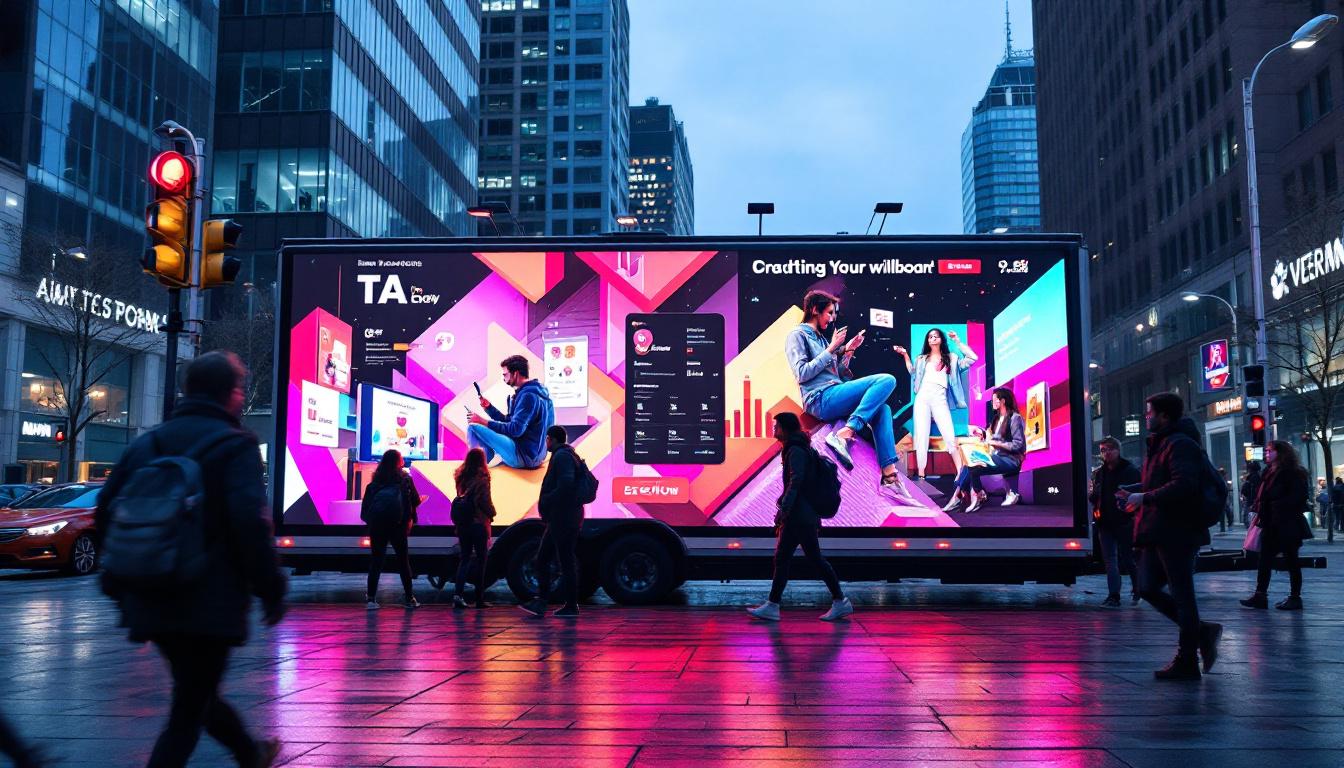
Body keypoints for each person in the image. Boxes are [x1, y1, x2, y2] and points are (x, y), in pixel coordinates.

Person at [95, 352, 286, 767]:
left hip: (150, 591)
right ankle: (249, 754)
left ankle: (249, 753)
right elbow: (248, 521)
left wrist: (120, 576)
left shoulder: (148, 442)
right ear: (231, 394)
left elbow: (105, 509)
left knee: (195, 691)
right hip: (207, 598)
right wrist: (270, 587)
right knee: (188, 709)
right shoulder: (235, 445)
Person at [1123, 393, 1222, 680]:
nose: (1146, 417)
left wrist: (1144, 497)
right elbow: (1163, 481)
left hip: (1177, 531)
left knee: (1182, 596)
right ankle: (1203, 632)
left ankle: (1187, 659)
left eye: (1149, 412)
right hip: (1159, 529)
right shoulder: (1163, 444)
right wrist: (1135, 491)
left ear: (1164, 415)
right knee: (1147, 587)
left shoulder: (1180, 444)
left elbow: (1184, 486)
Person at [785, 290, 911, 501]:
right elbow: (801, 373)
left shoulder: (822, 340)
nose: (833, 318)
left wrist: (848, 352)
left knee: (884, 409)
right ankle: (846, 432)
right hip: (819, 398)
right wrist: (833, 348)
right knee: (887, 380)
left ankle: (889, 477)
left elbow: (839, 375)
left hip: (833, 392)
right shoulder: (797, 335)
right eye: (829, 313)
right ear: (815, 310)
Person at [749, 412, 853, 622]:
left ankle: (839, 601)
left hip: (799, 516)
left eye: (776, 426)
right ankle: (774, 604)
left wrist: (784, 510)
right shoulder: (798, 448)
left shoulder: (795, 450)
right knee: (787, 557)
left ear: (785, 428)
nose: (774, 429)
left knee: (804, 558)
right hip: (801, 514)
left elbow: (795, 482)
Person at [894, 328, 977, 481]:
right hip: (922, 397)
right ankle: (921, 474)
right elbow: (912, 372)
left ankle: (960, 472)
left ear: (941, 339)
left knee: (949, 435)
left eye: (935, 336)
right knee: (921, 435)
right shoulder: (921, 359)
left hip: (940, 398)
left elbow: (972, 358)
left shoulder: (951, 358)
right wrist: (905, 354)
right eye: (930, 337)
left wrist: (957, 341)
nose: (932, 338)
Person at [521, 426, 584, 618]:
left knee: (559, 560)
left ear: (552, 439)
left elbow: (566, 484)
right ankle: (545, 602)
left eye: (547, 439)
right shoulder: (566, 455)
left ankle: (567, 605)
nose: (545, 442)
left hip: (562, 518)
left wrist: (548, 499)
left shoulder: (562, 457)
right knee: (550, 559)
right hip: (563, 517)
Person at [1241, 441, 1311, 611]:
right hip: (1270, 523)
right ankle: (1260, 595)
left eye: (1270, 450)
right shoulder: (1268, 472)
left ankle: (1295, 597)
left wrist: (1276, 505)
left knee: (1291, 560)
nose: (1266, 453)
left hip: (1287, 524)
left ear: (1280, 453)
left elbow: (1298, 497)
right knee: (1264, 559)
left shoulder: (1292, 473)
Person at [464, 355, 554, 470]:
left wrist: (481, 421)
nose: (504, 378)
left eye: (505, 374)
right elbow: (511, 422)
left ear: (515, 374)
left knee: (473, 427)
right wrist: (489, 408)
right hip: (536, 455)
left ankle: (475, 468)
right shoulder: (540, 394)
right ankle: (486, 457)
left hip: (524, 457)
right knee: (482, 429)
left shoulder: (527, 396)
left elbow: (515, 430)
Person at [944, 387, 1025, 513]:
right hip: (997, 457)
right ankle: (960, 495)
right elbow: (990, 438)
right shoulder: (996, 419)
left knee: (973, 462)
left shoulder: (1015, 418)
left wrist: (994, 443)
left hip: (1010, 460)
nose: (992, 402)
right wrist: (984, 437)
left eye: (994, 400)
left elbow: (1017, 445)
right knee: (969, 462)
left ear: (1002, 401)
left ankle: (972, 495)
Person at [361, 449, 421, 609]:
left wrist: (373, 522)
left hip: (378, 527)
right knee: (403, 562)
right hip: (398, 527)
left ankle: (371, 599)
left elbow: (365, 510)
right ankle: (409, 598)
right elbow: (415, 500)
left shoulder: (374, 484)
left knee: (376, 562)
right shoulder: (405, 480)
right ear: (398, 462)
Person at [1088, 437, 1141, 607]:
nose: (1106, 452)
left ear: (1118, 450)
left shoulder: (1130, 470)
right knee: (1110, 560)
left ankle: (1138, 589)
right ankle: (1114, 595)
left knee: (1127, 558)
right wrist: (1093, 495)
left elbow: (1139, 492)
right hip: (1105, 522)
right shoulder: (1100, 473)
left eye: (1110, 449)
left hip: (1124, 520)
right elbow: (1095, 496)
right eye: (1103, 450)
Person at [452, 447, 496, 609]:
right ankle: (479, 599)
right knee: (481, 560)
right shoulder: (482, 478)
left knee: (464, 559)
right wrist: (493, 513)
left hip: (463, 524)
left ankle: (458, 595)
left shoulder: (461, 477)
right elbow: (484, 501)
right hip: (478, 524)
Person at [1240, 462, 1263, 527]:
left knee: (1247, 515)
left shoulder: (1250, 477)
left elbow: (1244, 490)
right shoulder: (1259, 477)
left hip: (1250, 500)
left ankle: (1250, 528)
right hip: (1257, 500)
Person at [1218, 467, 1235, 533]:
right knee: (1225, 514)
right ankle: (1224, 528)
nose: (1225, 475)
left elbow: (1227, 489)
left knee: (1228, 513)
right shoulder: (1220, 481)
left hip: (1225, 500)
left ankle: (1226, 527)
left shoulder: (1224, 481)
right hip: (1223, 500)